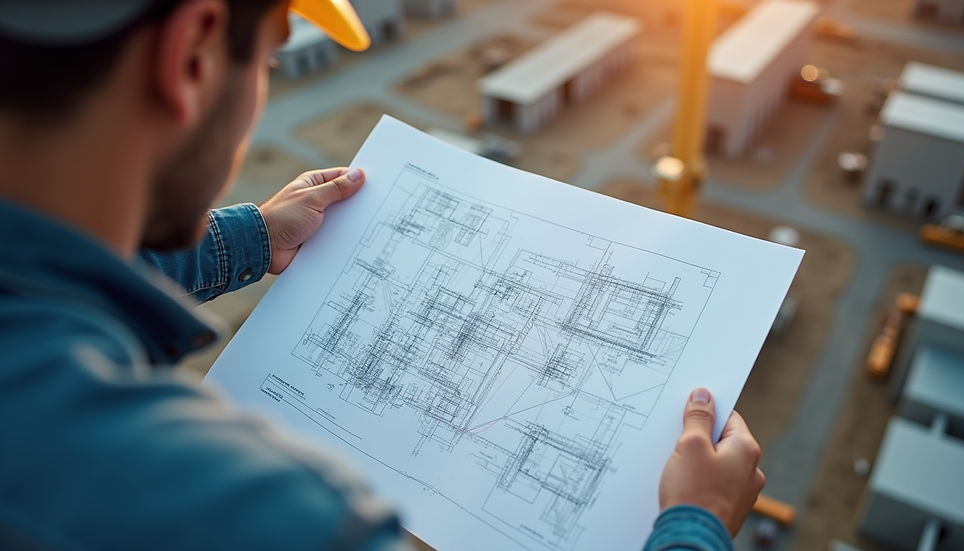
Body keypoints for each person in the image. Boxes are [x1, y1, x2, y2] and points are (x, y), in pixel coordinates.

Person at [0, 1, 765, 549]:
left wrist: (252, 238)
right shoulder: (253, 514)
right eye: (267, 58)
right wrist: (694, 525)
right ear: (193, 54)